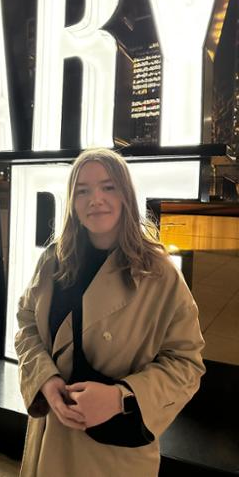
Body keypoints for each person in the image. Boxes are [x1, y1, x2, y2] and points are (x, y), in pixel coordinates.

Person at [15, 148, 205, 477]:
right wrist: (44, 379)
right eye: (82, 191)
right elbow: (27, 324)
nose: (95, 199)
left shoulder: (158, 273)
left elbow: (186, 363)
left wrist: (121, 398)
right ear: (72, 202)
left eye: (108, 187)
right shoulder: (53, 260)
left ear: (126, 195)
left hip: (112, 454)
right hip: (49, 440)